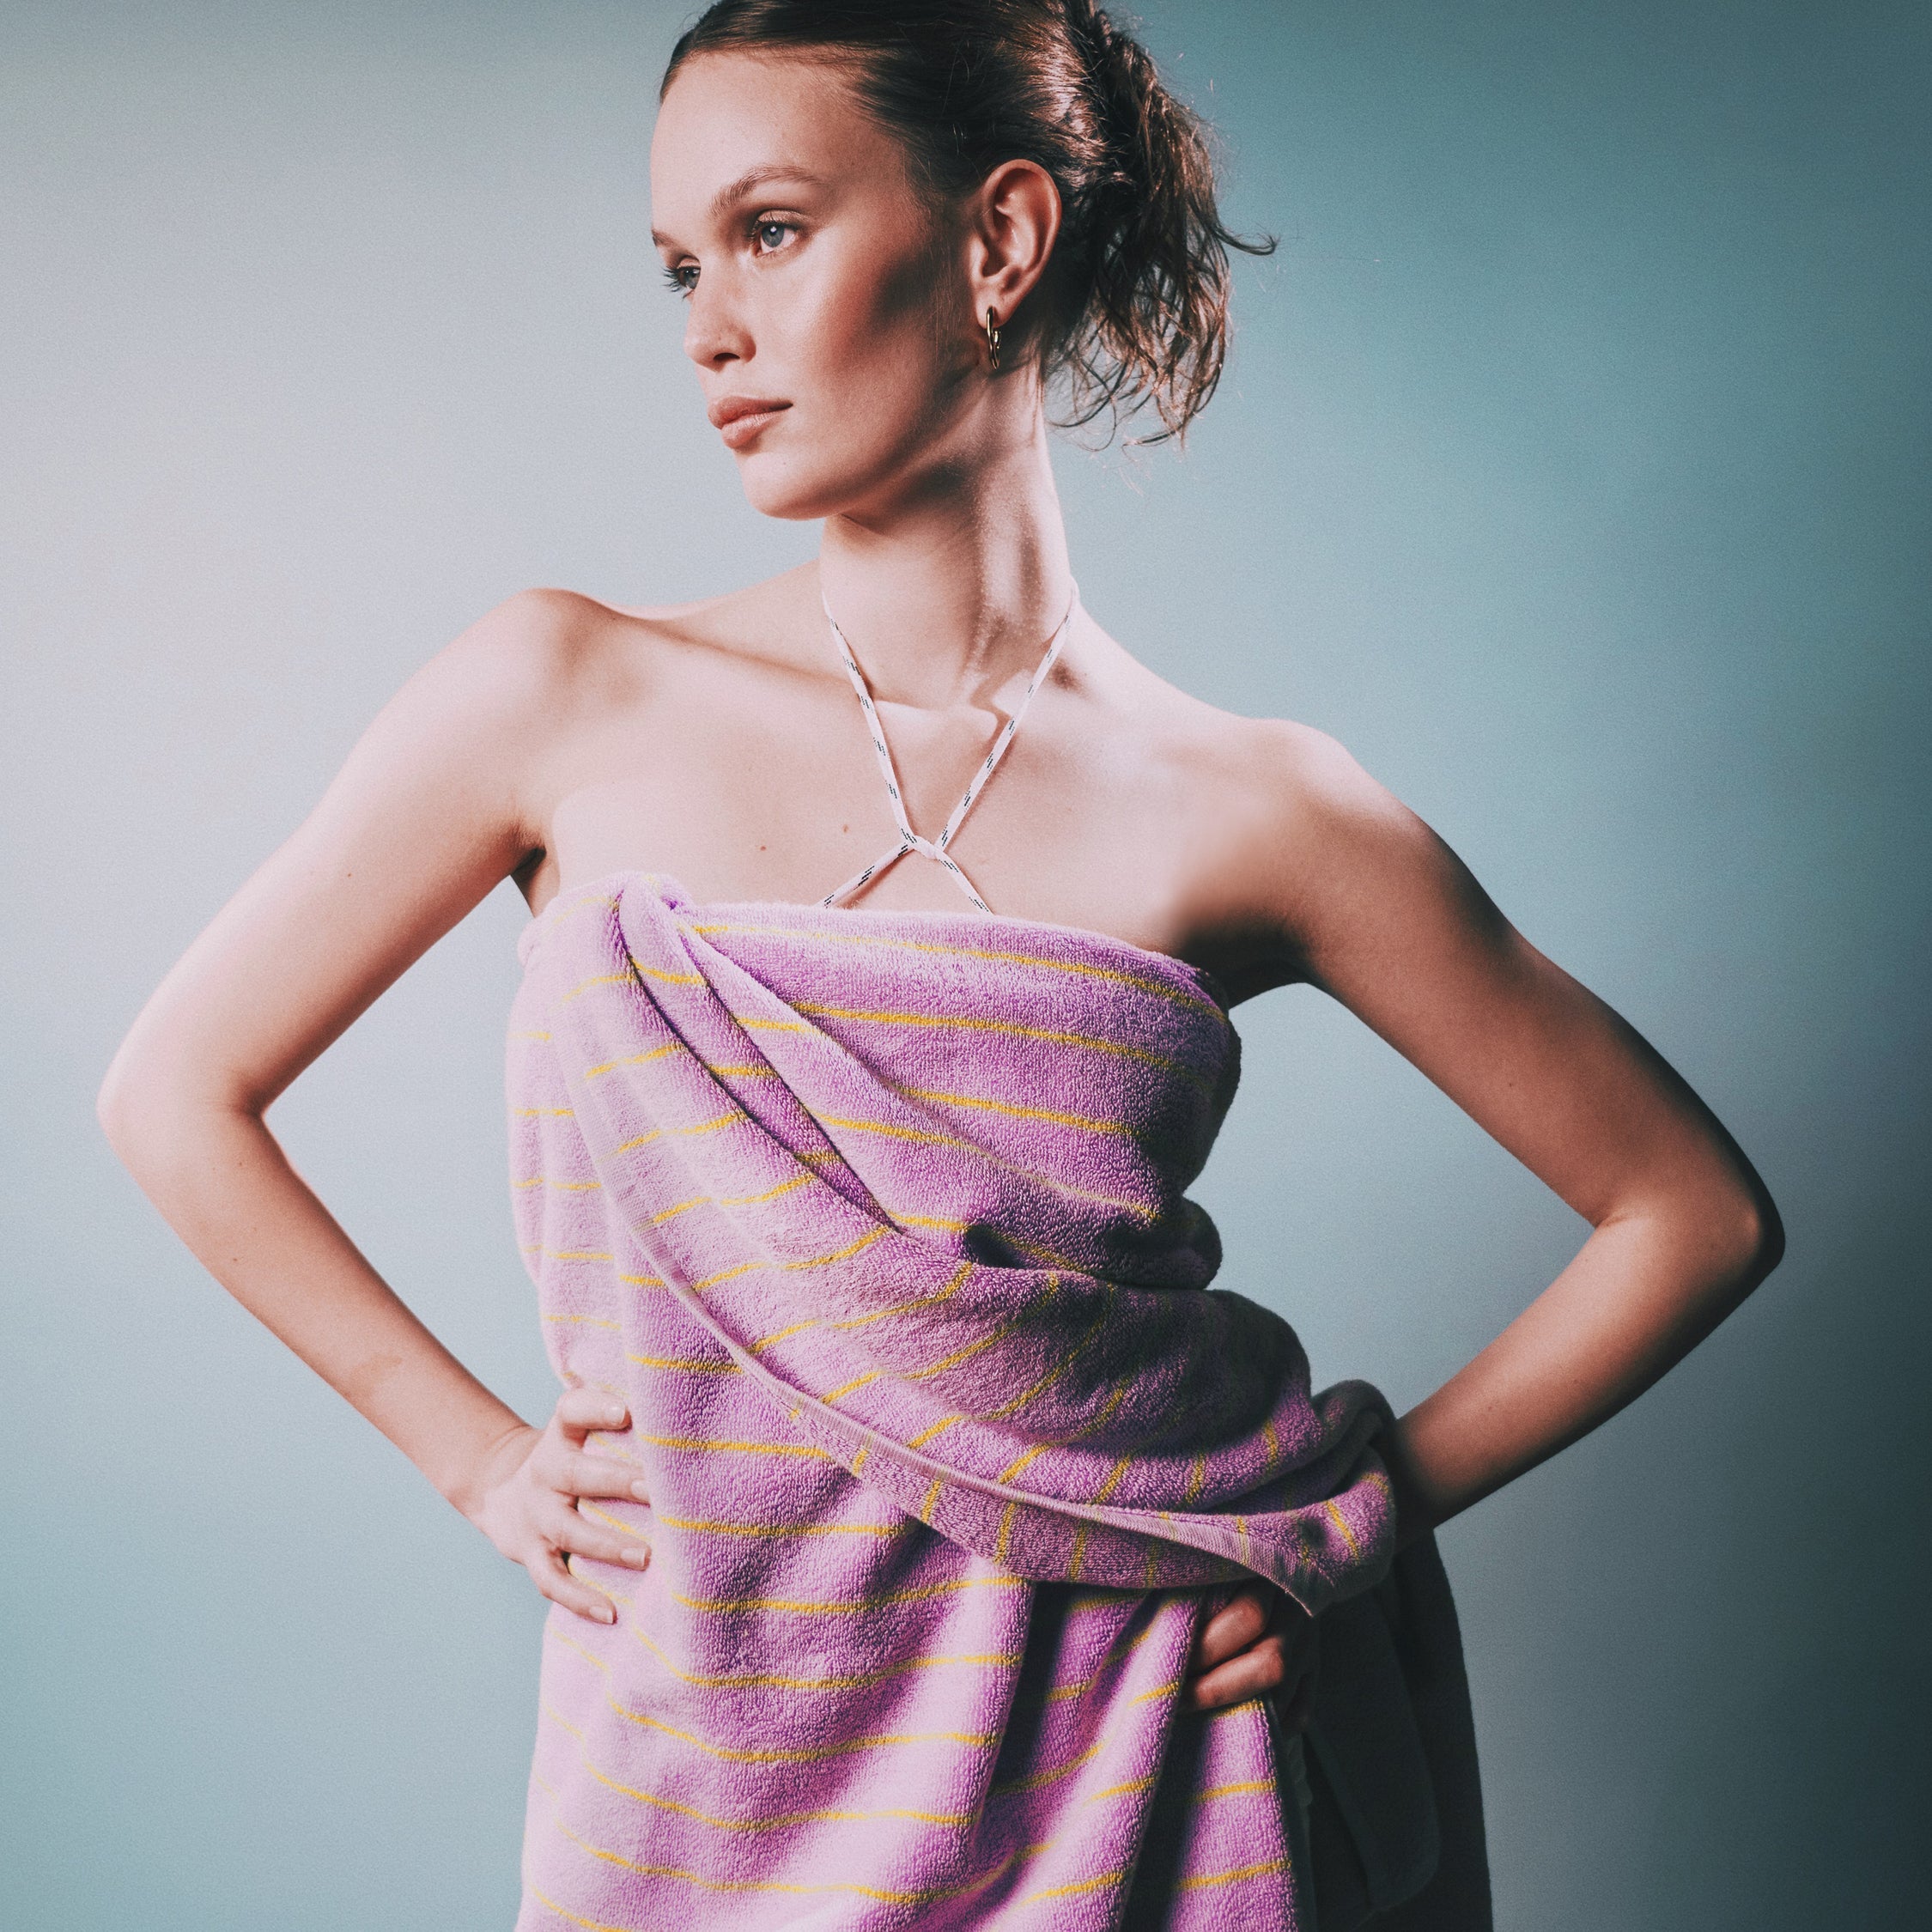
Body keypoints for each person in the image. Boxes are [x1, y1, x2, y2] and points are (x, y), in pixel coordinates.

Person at [97, 3, 1783, 1927]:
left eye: (770, 230)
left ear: (998, 238)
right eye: (680, 265)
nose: (706, 328)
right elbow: (175, 1093)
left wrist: (1352, 1513)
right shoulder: (558, 692)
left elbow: (1690, 1210)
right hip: (699, 1780)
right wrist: (477, 1461)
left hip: (1139, 1773)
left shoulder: (1257, 808)